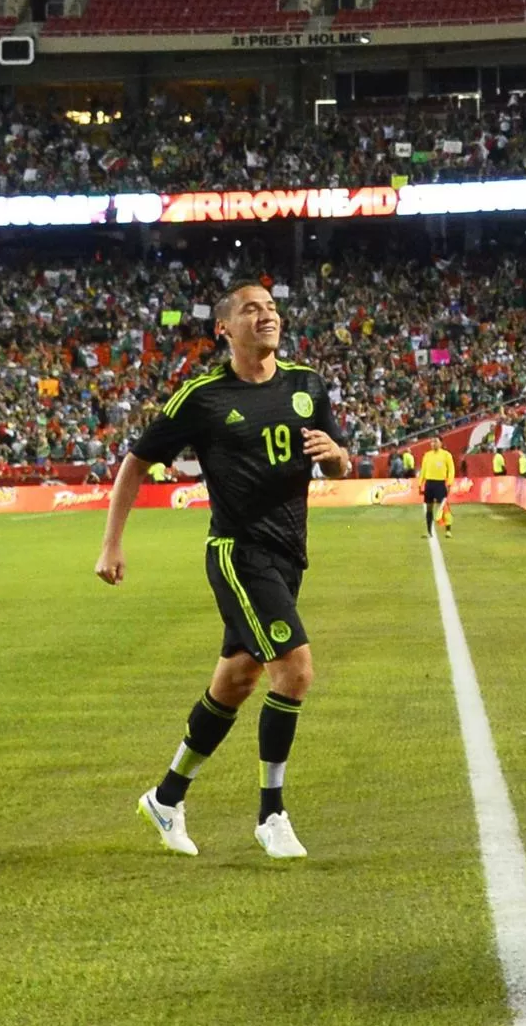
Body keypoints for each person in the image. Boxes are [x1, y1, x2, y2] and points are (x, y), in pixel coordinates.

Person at [96, 283, 350, 861]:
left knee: (236, 680)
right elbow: (135, 462)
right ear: (225, 330)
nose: (267, 316)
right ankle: (272, 814)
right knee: (296, 670)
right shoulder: (203, 397)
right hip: (239, 552)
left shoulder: (307, 384)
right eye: (252, 310)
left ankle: (166, 797)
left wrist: (335, 457)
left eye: (272, 308)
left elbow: (339, 456)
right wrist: (111, 544)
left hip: (290, 555)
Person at [419, 437, 454, 538]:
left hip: (440, 483)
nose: (433, 443)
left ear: (441, 443)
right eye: (432, 442)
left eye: (436, 441)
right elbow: (423, 470)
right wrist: (420, 483)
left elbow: (451, 470)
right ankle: (428, 531)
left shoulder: (446, 455)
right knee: (429, 507)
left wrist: (449, 483)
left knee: (444, 507)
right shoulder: (427, 455)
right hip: (429, 483)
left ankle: (448, 530)